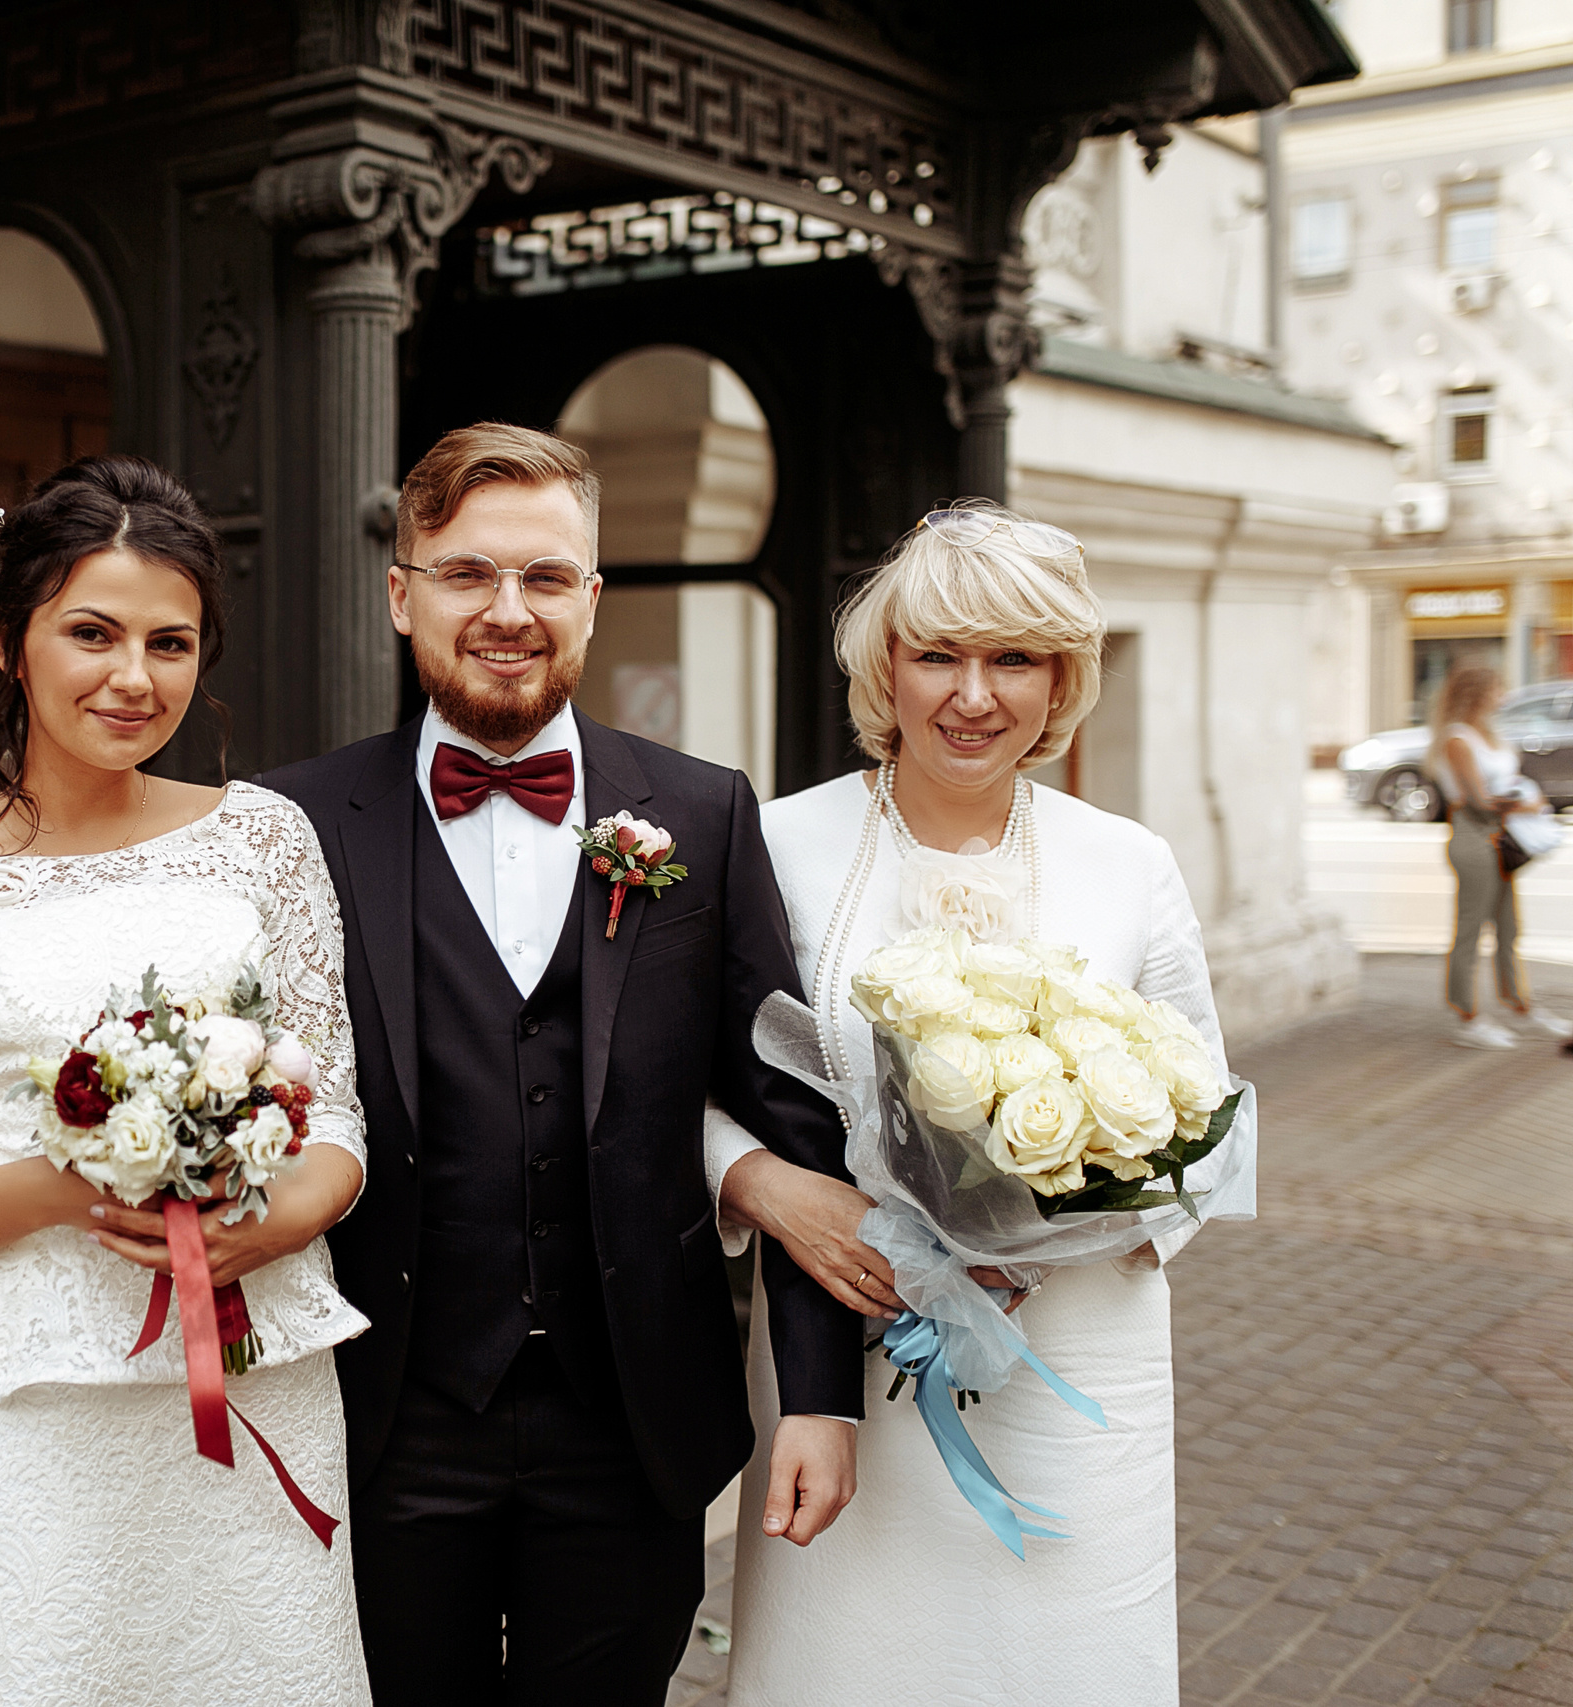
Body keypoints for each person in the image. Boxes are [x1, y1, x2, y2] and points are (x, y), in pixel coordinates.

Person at [258, 423, 863, 1705]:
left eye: (544, 577)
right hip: (382, 1415)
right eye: (469, 574)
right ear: (401, 591)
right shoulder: (289, 824)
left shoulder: (704, 811)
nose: (506, 611)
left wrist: (822, 1397)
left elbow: (794, 1118)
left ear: (591, 597)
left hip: (631, 1421)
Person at [0, 455, 373, 1707]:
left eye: (171, 642)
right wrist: (64, 1184)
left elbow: (334, 1124)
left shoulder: (263, 838)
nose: (134, 676)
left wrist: (250, 1229)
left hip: (251, 1363)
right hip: (27, 1405)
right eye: (92, 633)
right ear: (11, 643)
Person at [709, 502, 1246, 1707]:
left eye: (1013, 658)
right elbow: (684, 1086)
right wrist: (760, 1188)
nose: (971, 694)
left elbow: (1204, 1127)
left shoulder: (1129, 863)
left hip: (1073, 1362)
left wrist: (1039, 1242)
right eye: (937, 654)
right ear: (882, 667)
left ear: (1061, 680)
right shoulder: (780, 844)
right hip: (840, 1347)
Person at [1427, 662, 1571, 1048]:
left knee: (1509, 928)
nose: (1503, 696)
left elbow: (1504, 787)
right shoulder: (1457, 740)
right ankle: (1466, 1015)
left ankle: (1518, 1005)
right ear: (1475, 693)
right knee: (1471, 930)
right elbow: (1477, 801)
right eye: (1496, 688)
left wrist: (1524, 799)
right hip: (1474, 837)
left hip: (1502, 838)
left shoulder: (1488, 734)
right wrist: (1527, 806)